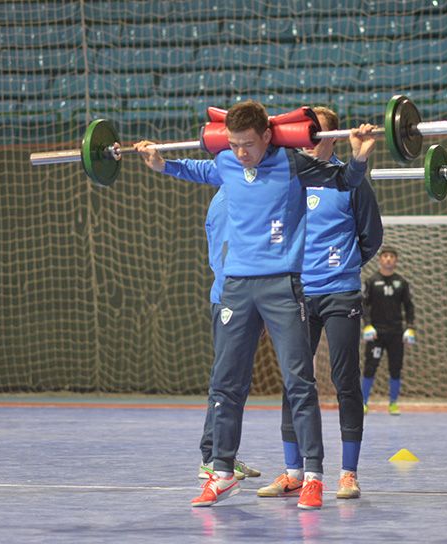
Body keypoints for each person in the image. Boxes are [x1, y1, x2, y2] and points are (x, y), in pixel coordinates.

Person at [135, 100, 377, 509]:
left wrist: (359, 157)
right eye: (233, 144)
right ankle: (222, 472)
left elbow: (345, 181)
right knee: (224, 385)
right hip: (236, 287)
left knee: (300, 383)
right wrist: (161, 164)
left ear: (267, 136)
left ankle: (313, 476)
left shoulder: (293, 164)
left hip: (282, 286)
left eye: (248, 143)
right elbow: (200, 170)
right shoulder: (228, 162)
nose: (241, 152)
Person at [259, 107, 382, 502]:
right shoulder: (289, 178)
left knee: (346, 381)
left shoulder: (351, 181)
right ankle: (295, 472)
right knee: (295, 382)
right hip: (295, 293)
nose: (305, 141)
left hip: (340, 292)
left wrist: (342, 265)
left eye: (313, 134)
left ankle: (348, 473)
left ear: (331, 138)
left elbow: (371, 236)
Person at [197, 187, 261, 482]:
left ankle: (224, 455)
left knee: (237, 380)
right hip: (231, 299)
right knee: (225, 380)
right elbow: (224, 257)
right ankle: (213, 457)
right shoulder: (227, 201)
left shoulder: (242, 196)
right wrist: (237, 298)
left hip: (245, 298)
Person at [360, 247, 416, 415]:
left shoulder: (402, 283)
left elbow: (409, 306)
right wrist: (367, 325)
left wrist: (410, 327)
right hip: (376, 334)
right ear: (380, 260)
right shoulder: (371, 282)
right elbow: (363, 305)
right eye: (385, 256)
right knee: (370, 367)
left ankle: (393, 403)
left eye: (392, 257)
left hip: (396, 334)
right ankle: (363, 403)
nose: (389, 259)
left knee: (395, 368)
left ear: (396, 261)